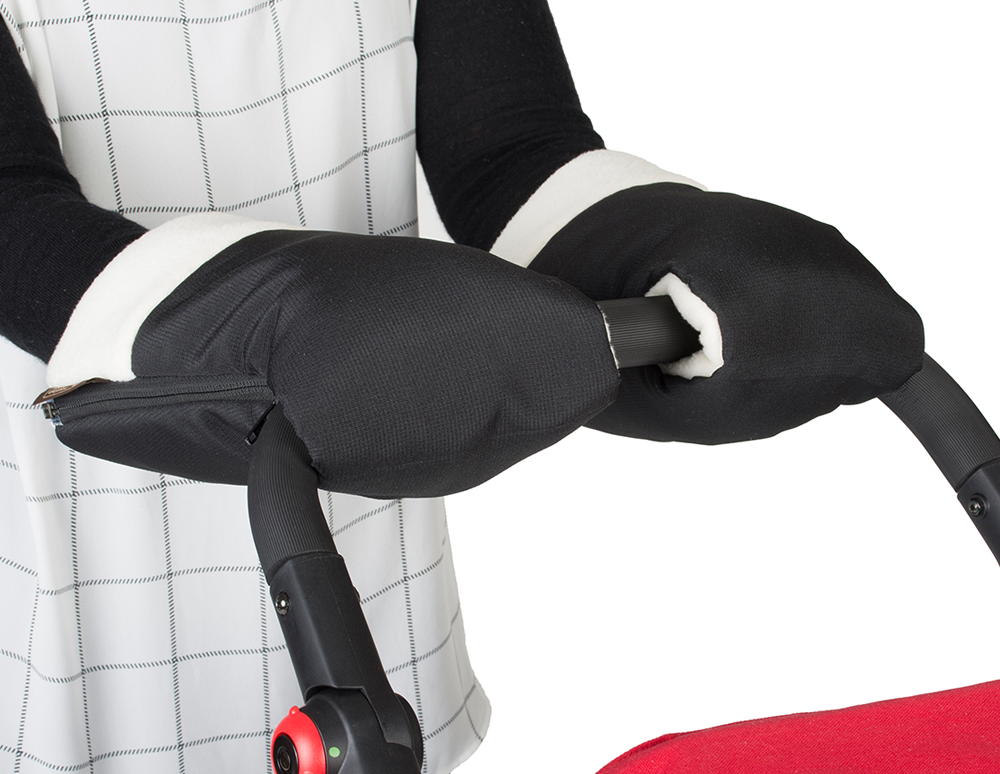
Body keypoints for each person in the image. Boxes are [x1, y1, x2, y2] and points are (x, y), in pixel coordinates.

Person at [0, 1, 922, 772]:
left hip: (369, 469)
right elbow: (15, 213)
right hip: (88, 519)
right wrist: (270, 319)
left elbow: (510, 146)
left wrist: (688, 251)